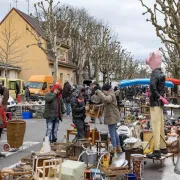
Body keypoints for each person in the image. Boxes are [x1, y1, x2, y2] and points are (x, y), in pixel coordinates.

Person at [146, 50, 168, 158]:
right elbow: (160, 89)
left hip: (155, 102)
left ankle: (156, 149)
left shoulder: (154, 74)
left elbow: (153, 88)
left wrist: (158, 96)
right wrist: (162, 97)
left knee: (155, 125)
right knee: (161, 124)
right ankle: (163, 147)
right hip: (160, 103)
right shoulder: (162, 73)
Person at [95, 83, 122, 154]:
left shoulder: (111, 95)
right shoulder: (111, 94)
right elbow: (106, 103)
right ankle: (118, 147)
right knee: (114, 132)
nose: (103, 92)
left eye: (103, 91)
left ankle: (114, 149)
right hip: (113, 116)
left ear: (106, 90)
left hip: (112, 117)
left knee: (112, 134)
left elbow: (106, 99)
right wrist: (98, 106)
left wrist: (99, 92)